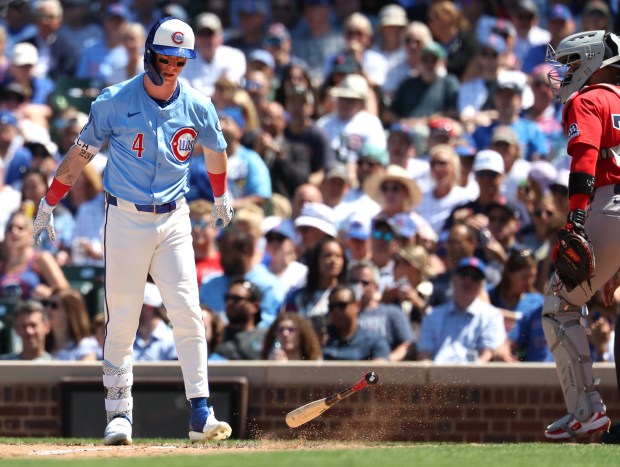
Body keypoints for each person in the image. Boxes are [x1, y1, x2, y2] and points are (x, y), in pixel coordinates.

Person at [31, 17, 234, 445]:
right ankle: (119, 414)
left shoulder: (198, 104)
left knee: (187, 312)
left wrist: (219, 196)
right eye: (167, 56)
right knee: (123, 316)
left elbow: (216, 150)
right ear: (149, 54)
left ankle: (201, 411)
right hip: (124, 216)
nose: (174, 65)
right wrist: (49, 202)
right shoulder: (114, 100)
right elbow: (80, 153)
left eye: (181, 59)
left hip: (174, 216)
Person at [537, 30, 620, 441]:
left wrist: (576, 221)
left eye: (570, 62)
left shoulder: (589, 99)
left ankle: (586, 411)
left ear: (591, 59)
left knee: (558, 306)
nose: (565, 71)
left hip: (611, 202)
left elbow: (585, 159)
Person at [417, 257, 506, 363]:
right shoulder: (433, 315)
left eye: (475, 277)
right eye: (464, 274)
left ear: (481, 285)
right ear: (454, 280)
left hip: (474, 376)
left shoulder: (492, 316)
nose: (468, 281)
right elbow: (424, 355)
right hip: (437, 375)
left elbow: (487, 355)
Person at [1, 211, 69, 301]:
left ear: (31, 235)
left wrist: (49, 292)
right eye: (10, 228)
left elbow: (66, 292)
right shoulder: (2, 265)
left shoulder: (41, 259)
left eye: (20, 228)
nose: (14, 232)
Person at [322, 284, 391, 361]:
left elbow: (380, 368)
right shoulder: (320, 338)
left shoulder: (373, 341)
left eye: (342, 305)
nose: (336, 311)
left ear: (357, 306)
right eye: (332, 306)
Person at [214, 278, 266, 360]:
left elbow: (277, 348)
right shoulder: (216, 335)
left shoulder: (267, 336)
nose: (230, 303)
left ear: (255, 306)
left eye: (237, 299)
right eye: (227, 298)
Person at [44, 287, 99, 361]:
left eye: (54, 305)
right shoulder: (41, 344)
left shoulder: (85, 346)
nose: (47, 309)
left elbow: (85, 371)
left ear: (70, 312)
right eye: (47, 304)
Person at [133, 282, 177, 361]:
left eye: (135, 305)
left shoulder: (171, 339)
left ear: (148, 308)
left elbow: (175, 372)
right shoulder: (127, 337)